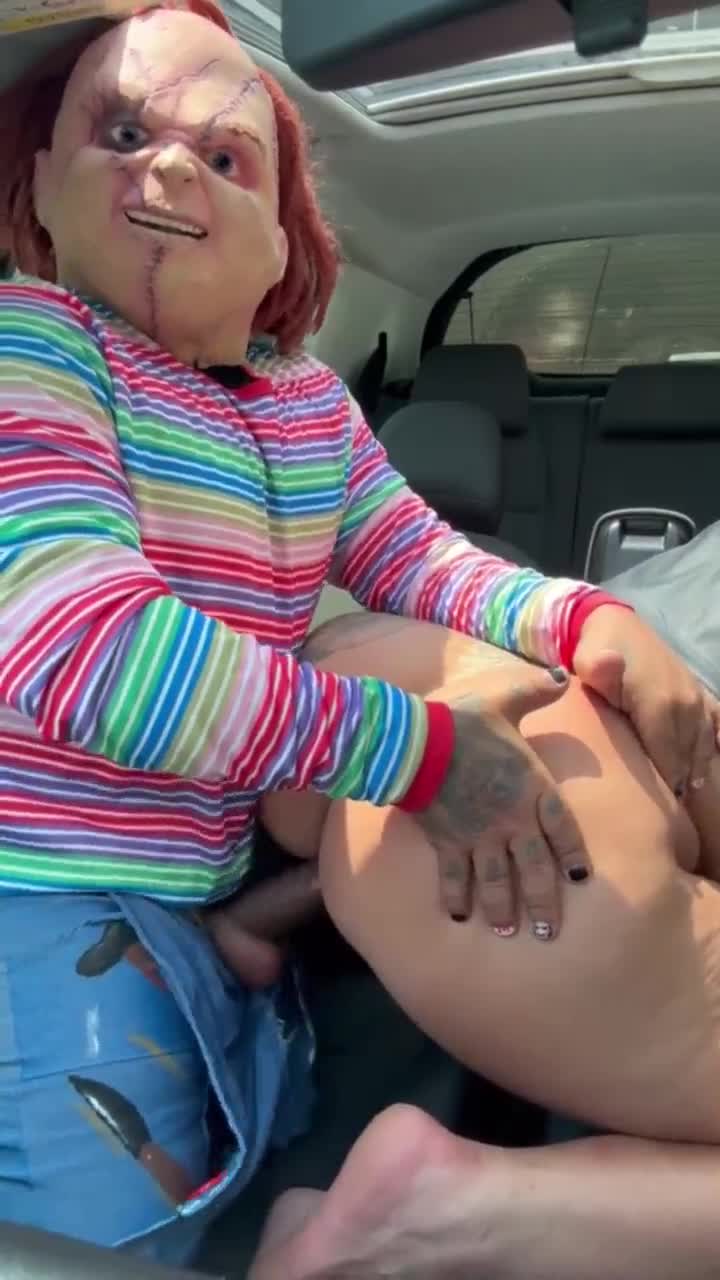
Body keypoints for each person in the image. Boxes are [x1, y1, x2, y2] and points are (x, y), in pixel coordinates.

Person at [0, 0, 717, 1267]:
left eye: (226, 156)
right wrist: (421, 754)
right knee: (114, 1246)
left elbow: (423, 562)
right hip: (43, 894)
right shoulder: (34, 352)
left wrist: (586, 613)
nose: (170, 170)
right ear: (44, 186)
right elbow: (73, 640)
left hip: (199, 885)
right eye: (122, 134)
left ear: (282, 236)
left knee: (258, 1135)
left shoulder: (307, 407)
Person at [220, 606, 720, 1280]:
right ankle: (449, 1210)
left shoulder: (332, 663)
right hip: (553, 802)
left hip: (421, 782)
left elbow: (302, 821)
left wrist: (257, 916)